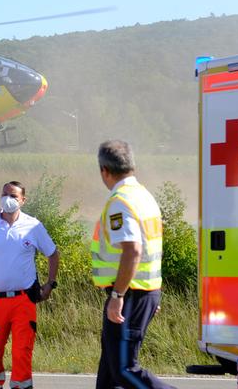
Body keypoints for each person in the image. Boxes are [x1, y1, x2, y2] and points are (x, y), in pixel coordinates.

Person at [92, 140, 176, 389]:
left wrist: (118, 295)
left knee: (124, 370)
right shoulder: (144, 196)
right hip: (141, 292)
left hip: (130, 294)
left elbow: (133, 250)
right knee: (109, 374)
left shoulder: (121, 201)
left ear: (104, 170)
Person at [0, 181, 60, 389]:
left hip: (24, 300)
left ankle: (21, 386)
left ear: (23, 200)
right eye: (5, 194)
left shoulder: (33, 225)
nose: (8, 198)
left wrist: (49, 284)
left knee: (22, 350)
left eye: (14, 196)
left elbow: (53, 253)